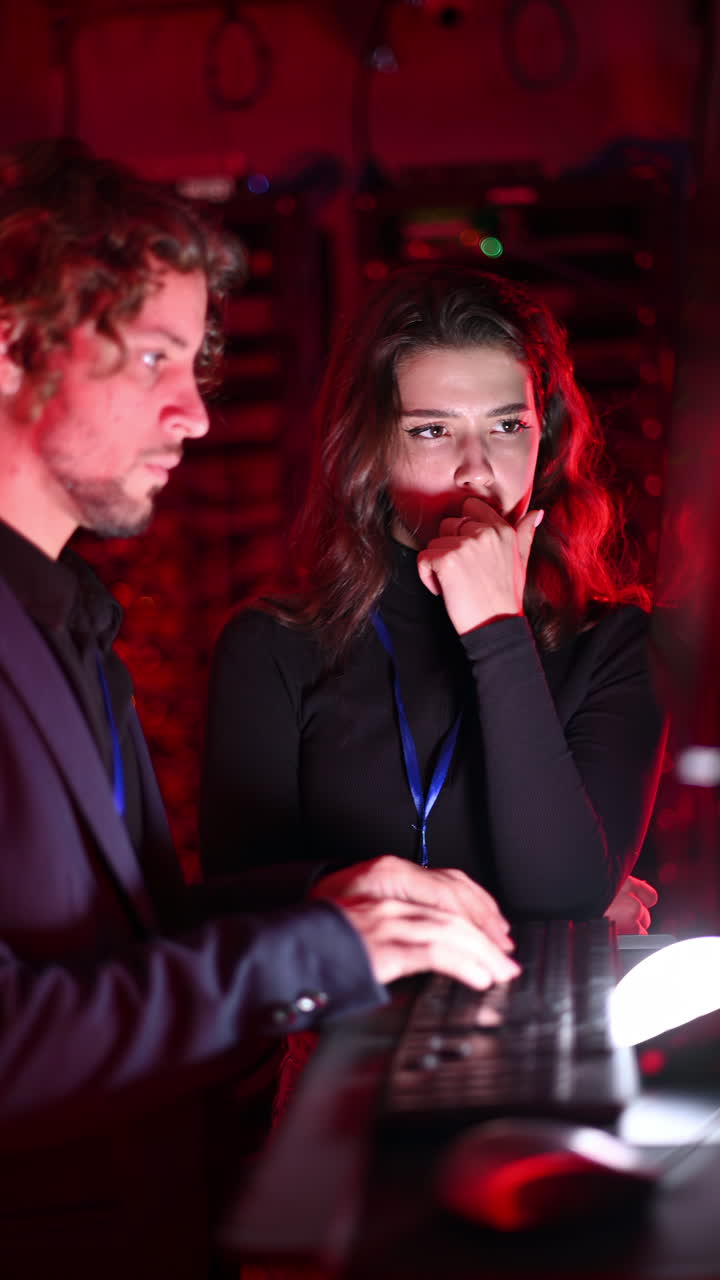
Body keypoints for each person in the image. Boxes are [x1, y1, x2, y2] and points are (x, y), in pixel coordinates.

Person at [0, 141, 520, 1280]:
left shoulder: (63, 614)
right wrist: (322, 949)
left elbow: (113, 948)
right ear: (12, 346)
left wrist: (338, 896)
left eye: (195, 363)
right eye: (153, 356)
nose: (193, 412)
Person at [201, 264, 665, 932]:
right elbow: (242, 914)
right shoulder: (272, 646)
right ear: (369, 449)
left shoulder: (617, 647)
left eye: (508, 426)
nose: (477, 469)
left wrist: (497, 632)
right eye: (431, 430)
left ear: (547, 436)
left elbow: (564, 893)